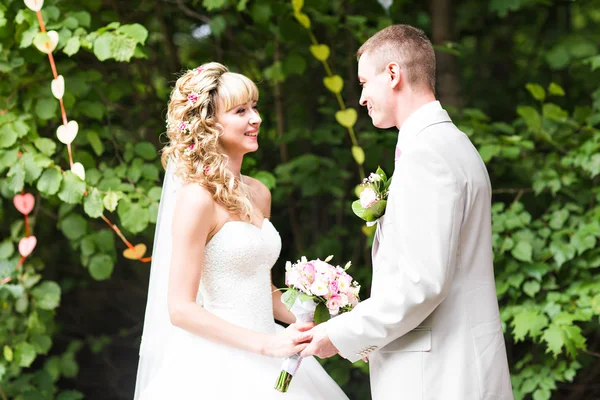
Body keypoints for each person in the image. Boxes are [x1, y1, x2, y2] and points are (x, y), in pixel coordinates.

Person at [300, 24, 514, 400]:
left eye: (365, 82)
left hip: (439, 376)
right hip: (459, 361)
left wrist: (342, 333)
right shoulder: (454, 143)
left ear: (394, 74)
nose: (362, 97)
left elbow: (422, 283)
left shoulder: (427, 154)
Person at [133, 62, 348, 399]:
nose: (256, 118)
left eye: (255, 107)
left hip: (273, 346)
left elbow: (261, 287)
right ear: (210, 124)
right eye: (241, 110)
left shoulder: (260, 193)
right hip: (217, 364)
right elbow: (180, 309)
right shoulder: (196, 199)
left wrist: (323, 316)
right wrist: (266, 344)